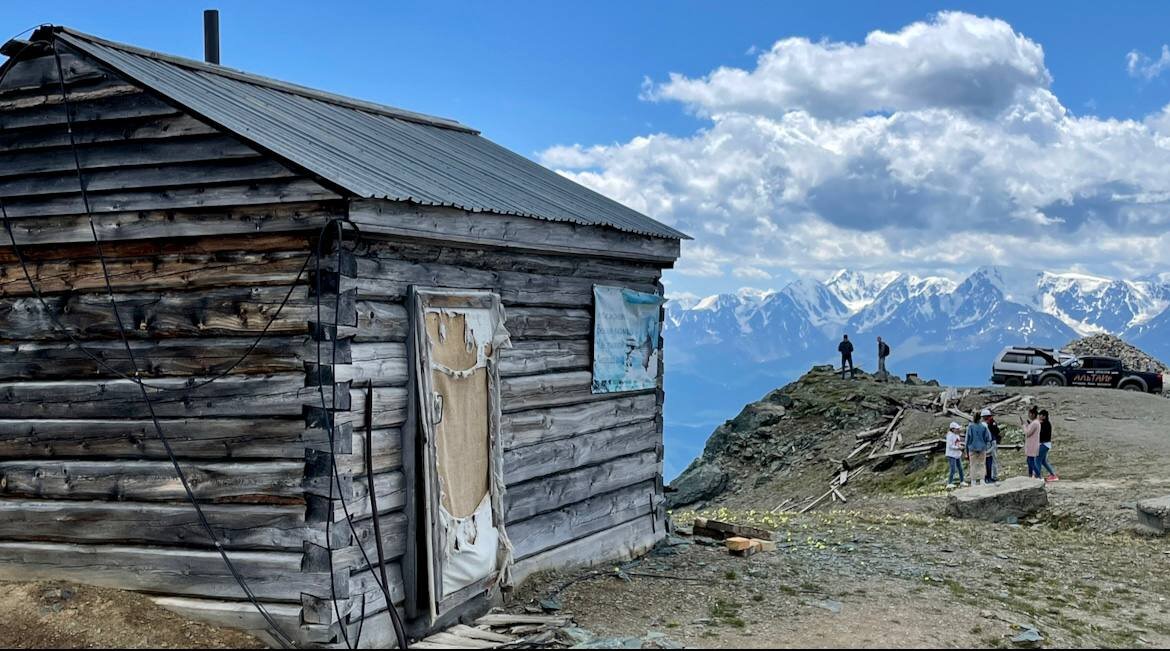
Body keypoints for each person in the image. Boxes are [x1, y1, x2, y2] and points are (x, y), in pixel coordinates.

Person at [965, 410, 992, 485]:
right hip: (982, 448)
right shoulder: (983, 427)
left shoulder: (970, 427)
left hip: (972, 448)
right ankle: (982, 480)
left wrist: (966, 450)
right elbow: (988, 438)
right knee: (982, 464)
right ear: (980, 418)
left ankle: (973, 481)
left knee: (973, 465)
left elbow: (967, 440)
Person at [1037, 409, 1059, 481]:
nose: (1039, 416)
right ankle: (1053, 475)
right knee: (1043, 461)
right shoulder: (1043, 423)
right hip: (1045, 444)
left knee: (1038, 459)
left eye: (1040, 415)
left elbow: (1042, 434)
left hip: (1044, 444)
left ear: (1044, 416)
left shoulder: (1046, 424)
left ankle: (1038, 476)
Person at [945, 422, 965, 488]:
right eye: (957, 429)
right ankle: (949, 483)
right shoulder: (950, 435)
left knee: (960, 468)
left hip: (957, 454)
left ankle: (962, 481)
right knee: (953, 469)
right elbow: (950, 446)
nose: (958, 430)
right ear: (952, 429)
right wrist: (958, 447)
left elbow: (957, 443)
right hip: (951, 455)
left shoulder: (956, 435)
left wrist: (960, 446)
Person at [1023, 406, 1042, 479]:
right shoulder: (1035, 423)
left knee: (1031, 461)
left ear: (1033, 414)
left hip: (1032, 445)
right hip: (1033, 444)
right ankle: (1030, 475)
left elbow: (1027, 433)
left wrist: (1024, 425)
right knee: (1029, 460)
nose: (1028, 415)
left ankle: (1038, 475)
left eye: (1029, 414)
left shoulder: (1035, 423)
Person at [983, 408, 1001, 483]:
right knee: (989, 460)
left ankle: (994, 476)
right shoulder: (989, 423)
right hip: (990, 443)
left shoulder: (991, 423)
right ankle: (989, 475)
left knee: (993, 460)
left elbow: (996, 432)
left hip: (992, 442)